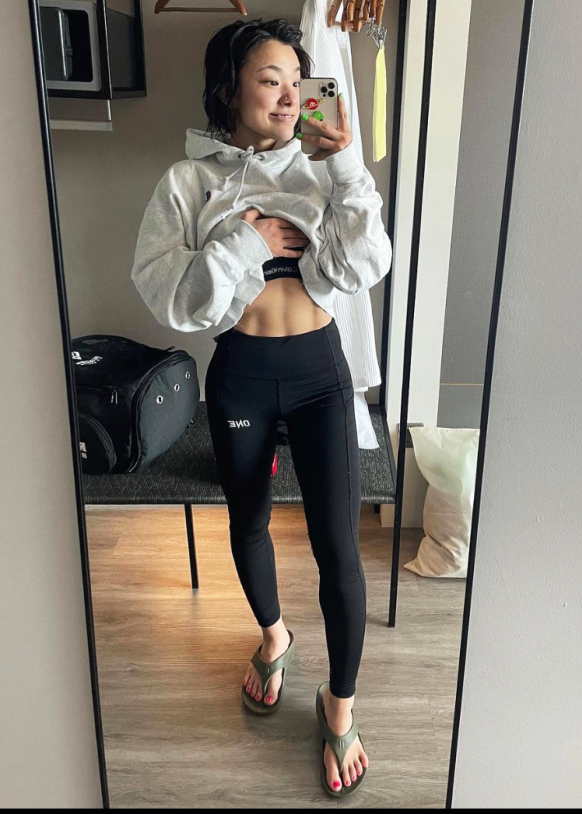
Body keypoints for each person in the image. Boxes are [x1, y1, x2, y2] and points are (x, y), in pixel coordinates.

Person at [130, 17, 393, 797]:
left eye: (296, 82)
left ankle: (340, 706)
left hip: (319, 373)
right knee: (247, 520)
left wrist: (344, 165)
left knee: (338, 547)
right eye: (269, 80)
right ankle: (275, 638)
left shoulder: (324, 167)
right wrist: (246, 239)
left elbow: (367, 264)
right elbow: (169, 296)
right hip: (241, 373)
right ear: (229, 90)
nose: (286, 97)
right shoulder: (187, 183)